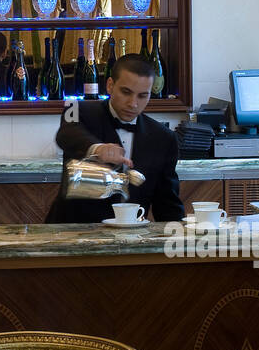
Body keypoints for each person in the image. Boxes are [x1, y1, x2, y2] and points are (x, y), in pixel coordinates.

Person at [46, 54, 185, 224]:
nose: (133, 103)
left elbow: (167, 203)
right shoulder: (74, 107)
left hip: (131, 239)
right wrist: (96, 149)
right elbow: (66, 134)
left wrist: (180, 238)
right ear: (110, 85)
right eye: (126, 92)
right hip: (73, 233)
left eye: (142, 96)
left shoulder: (164, 137)